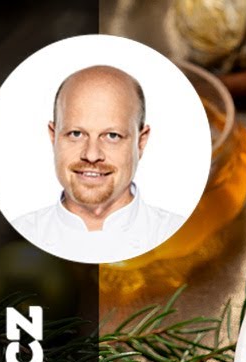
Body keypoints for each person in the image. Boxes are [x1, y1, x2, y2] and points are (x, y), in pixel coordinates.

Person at [12, 65, 185, 263]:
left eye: (112, 136)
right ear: (54, 137)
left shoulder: (182, 236)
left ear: (141, 142)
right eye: (76, 134)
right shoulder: (15, 239)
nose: (92, 155)